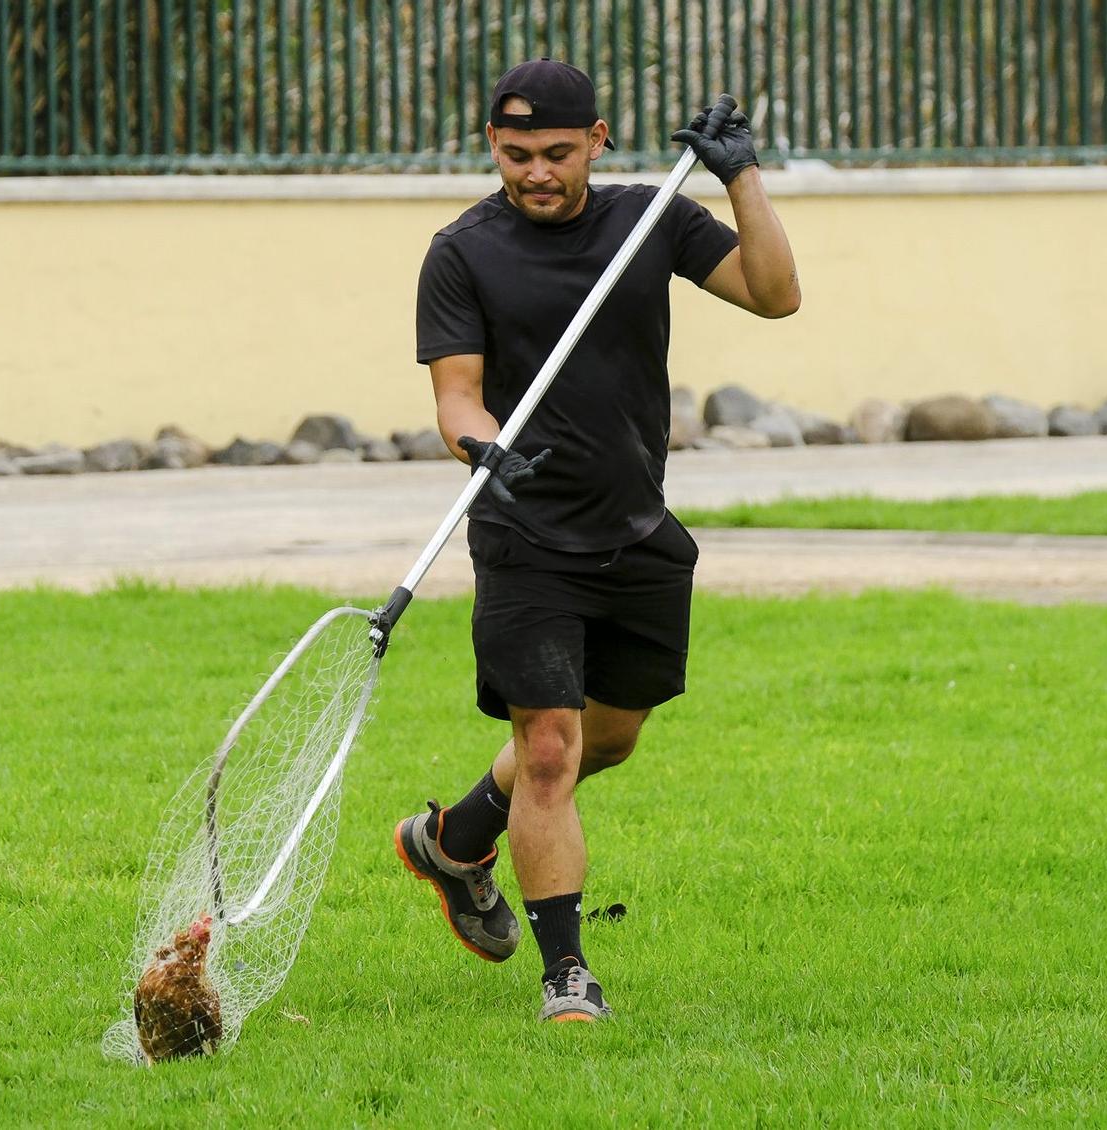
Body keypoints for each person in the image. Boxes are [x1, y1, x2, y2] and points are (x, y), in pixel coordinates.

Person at [393, 58, 801, 1022]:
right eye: (515, 153)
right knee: (546, 753)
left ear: (600, 141)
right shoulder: (463, 251)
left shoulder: (648, 219)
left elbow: (776, 295)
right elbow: (457, 393)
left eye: (557, 153)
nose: (535, 172)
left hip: (637, 530)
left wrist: (740, 176)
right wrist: (481, 447)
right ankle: (567, 975)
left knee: (604, 741)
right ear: (492, 146)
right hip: (523, 530)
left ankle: (452, 840)